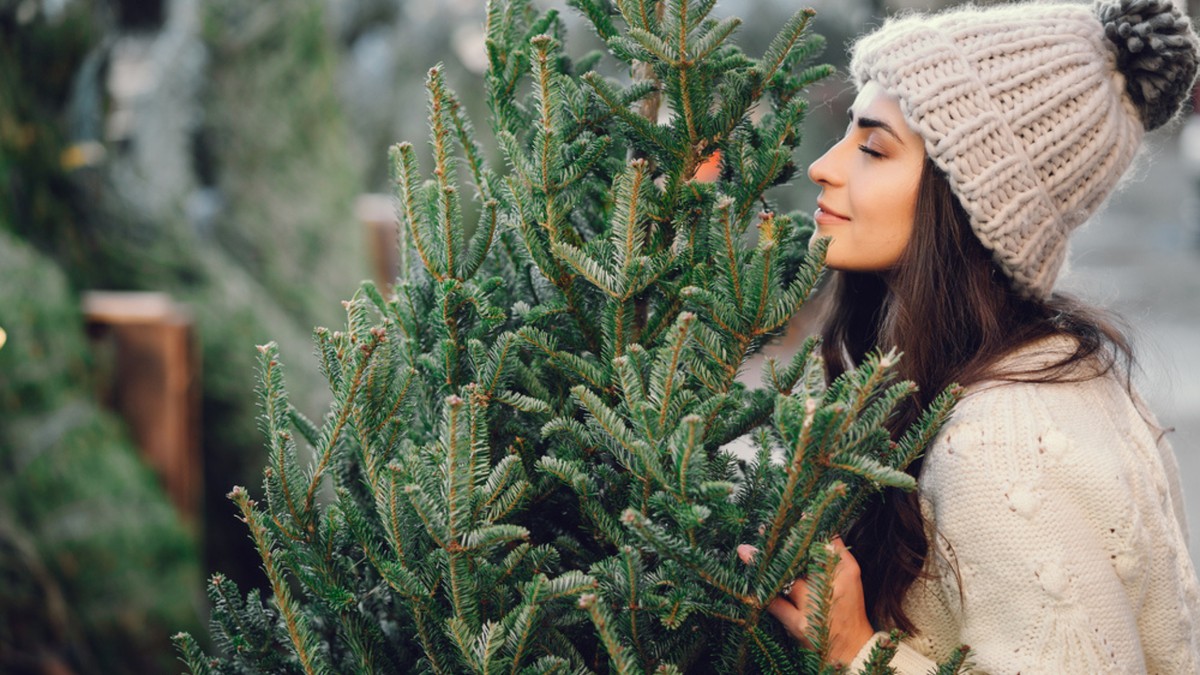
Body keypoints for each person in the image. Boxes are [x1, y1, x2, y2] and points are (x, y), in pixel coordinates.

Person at [738, 0, 1200, 671]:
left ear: (965, 197)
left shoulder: (1005, 440)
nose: (825, 166)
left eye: (873, 147)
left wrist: (856, 650)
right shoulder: (1033, 371)